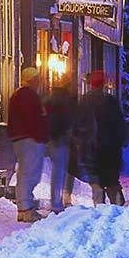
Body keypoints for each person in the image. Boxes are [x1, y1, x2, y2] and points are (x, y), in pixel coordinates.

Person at [77, 70, 127, 205]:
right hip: (111, 147)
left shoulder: (83, 101)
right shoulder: (111, 101)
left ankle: (99, 209)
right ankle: (118, 208)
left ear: (90, 84)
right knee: (112, 181)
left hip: (91, 147)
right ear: (103, 84)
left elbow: (78, 124)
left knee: (96, 181)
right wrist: (120, 141)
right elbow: (119, 124)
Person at [8, 67, 48, 222]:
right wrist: (40, 135)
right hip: (30, 139)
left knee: (24, 173)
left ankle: (23, 208)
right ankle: (26, 208)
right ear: (33, 80)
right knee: (29, 173)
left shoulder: (17, 95)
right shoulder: (29, 96)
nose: (39, 82)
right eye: (37, 79)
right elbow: (33, 119)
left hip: (20, 138)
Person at [44, 82, 77, 213]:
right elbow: (66, 121)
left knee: (57, 172)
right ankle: (57, 202)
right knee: (60, 172)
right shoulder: (64, 105)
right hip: (60, 140)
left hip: (52, 140)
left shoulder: (48, 103)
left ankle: (57, 201)